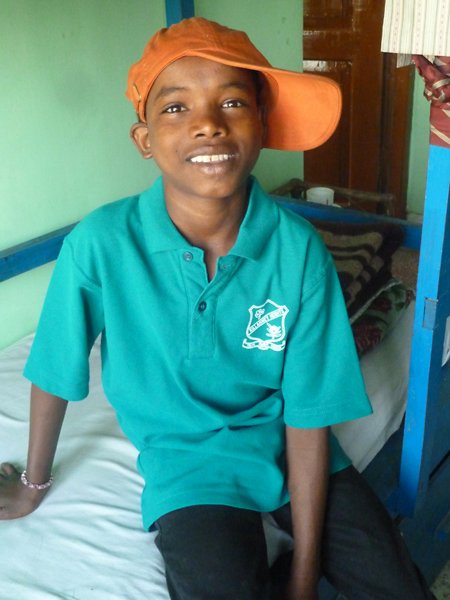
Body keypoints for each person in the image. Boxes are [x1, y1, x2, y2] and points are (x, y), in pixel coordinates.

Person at [0, 17, 435, 600]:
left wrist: (304, 576)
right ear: (144, 139)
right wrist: (33, 484)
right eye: (176, 108)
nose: (208, 124)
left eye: (232, 102)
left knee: (397, 585)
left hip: (288, 445)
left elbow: (307, 415)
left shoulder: (297, 249)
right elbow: (55, 368)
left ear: (262, 126)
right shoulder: (101, 243)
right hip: (188, 462)